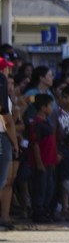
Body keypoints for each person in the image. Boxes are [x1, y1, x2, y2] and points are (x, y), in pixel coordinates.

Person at [28, 94, 58, 223]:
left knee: (49, 188)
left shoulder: (46, 122)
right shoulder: (36, 123)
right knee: (40, 188)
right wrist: (39, 163)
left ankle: (46, 211)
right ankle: (38, 213)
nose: (51, 108)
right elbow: (35, 144)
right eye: (50, 105)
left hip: (50, 162)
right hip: (42, 163)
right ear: (43, 107)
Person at [0, 57, 18, 230]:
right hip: (2, 138)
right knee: (2, 180)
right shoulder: (1, 84)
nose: (8, 72)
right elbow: (8, 121)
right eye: (6, 69)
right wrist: (15, 143)